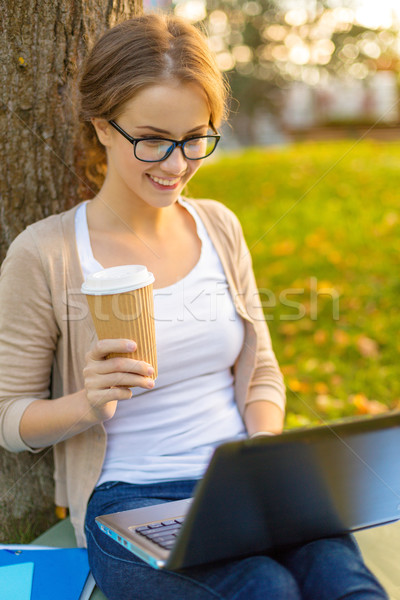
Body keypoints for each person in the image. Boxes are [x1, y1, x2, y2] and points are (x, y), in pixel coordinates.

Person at [0, 12, 389, 600]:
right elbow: (9, 418)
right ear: (103, 126)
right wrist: (88, 403)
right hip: (131, 499)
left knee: (343, 581)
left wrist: (263, 451)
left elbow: (260, 372)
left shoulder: (218, 226)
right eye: (152, 139)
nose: (177, 165)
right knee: (264, 587)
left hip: (242, 482)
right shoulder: (47, 252)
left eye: (195, 138)